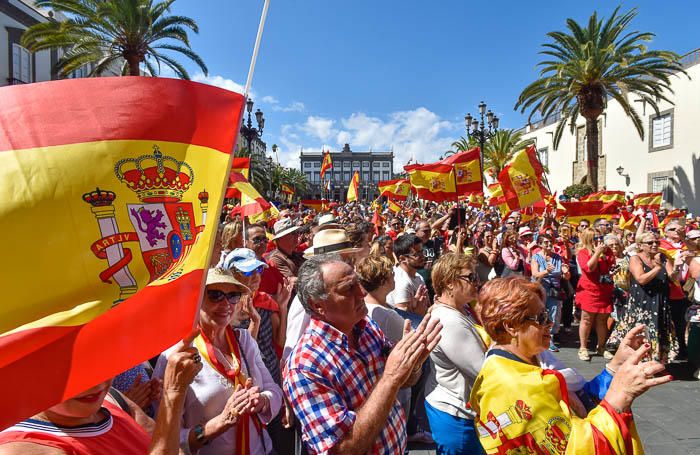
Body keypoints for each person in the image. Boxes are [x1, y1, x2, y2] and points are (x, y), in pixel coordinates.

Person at [471, 276, 672, 453]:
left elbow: (578, 406)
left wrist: (615, 365)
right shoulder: (514, 384)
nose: (550, 323)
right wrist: (620, 396)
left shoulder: (531, 359)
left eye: (547, 315)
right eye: (541, 318)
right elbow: (576, 448)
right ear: (511, 326)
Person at [284, 254, 442, 454]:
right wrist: (391, 378)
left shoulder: (366, 326)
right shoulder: (305, 366)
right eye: (347, 289)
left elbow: (405, 381)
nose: (362, 292)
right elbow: (343, 449)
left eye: (357, 283)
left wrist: (412, 363)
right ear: (317, 305)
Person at [0, 332, 203, 454]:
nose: (94, 382)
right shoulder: (23, 448)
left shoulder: (111, 399)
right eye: (69, 369)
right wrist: (174, 394)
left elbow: (173, 447)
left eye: (102, 360)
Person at [153, 268, 283, 454]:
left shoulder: (244, 340)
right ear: (196, 300)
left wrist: (262, 401)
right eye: (215, 295)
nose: (226, 304)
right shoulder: (176, 356)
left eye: (233, 296)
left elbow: (274, 390)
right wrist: (218, 424)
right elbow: (165, 438)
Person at [424, 253, 489, 454]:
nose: (477, 282)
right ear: (450, 283)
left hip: (456, 410)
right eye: (470, 278)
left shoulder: (459, 310)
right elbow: (483, 371)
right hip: (457, 416)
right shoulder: (450, 321)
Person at [622, 232, 684, 362]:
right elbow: (641, 279)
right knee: (642, 334)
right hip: (642, 303)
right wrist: (657, 268)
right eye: (650, 243)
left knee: (660, 332)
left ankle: (657, 363)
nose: (655, 245)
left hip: (660, 301)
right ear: (640, 245)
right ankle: (640, 363)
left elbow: (673, 278)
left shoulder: (662, 256)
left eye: (657, 242)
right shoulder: (635, 258)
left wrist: (678, 267)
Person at [575, 228, 615, 361]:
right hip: (589, 290)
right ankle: (583, 348)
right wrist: (597, 253)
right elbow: (589, 268)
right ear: (588, 240)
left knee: (602, 320)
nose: (598, 241)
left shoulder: (607, 251)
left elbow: (611, 265)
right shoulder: (583, 252)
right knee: (586, 319)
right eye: (595, 238)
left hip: (604, 289)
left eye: (600, 238)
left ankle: (601, 347)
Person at [531, 234, 569, 352]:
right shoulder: (536, 257)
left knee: (554, 314)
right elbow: (535, 274)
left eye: (550, 242)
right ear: (540, 244)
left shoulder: (557, 257)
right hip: (541, 289)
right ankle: (536, 336)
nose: (548, 244)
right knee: (539, 313)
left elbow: (565, 276)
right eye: (545, 242)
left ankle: (549, 338)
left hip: (554, 290)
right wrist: (546, 271)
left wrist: (566, 272)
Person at [660, 221, 692, 360]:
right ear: (665, 232)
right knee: (671, 320)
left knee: (683, 321)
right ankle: (671, 348)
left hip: (688, 285)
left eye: (679, 229)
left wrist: (684, 237)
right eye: (672, 229)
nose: (676, 231)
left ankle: (684, 348)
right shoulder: (661, 245)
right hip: (670, 286)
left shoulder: (687, 244)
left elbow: (694, 249)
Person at [387, 234, 430, 318]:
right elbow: (403, 321)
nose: (422, 256)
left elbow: (426, 307)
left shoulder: (418, 277)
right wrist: (418, 313)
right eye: (416, 254)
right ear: (402, 259)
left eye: (422, 251)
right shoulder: (402, 282)